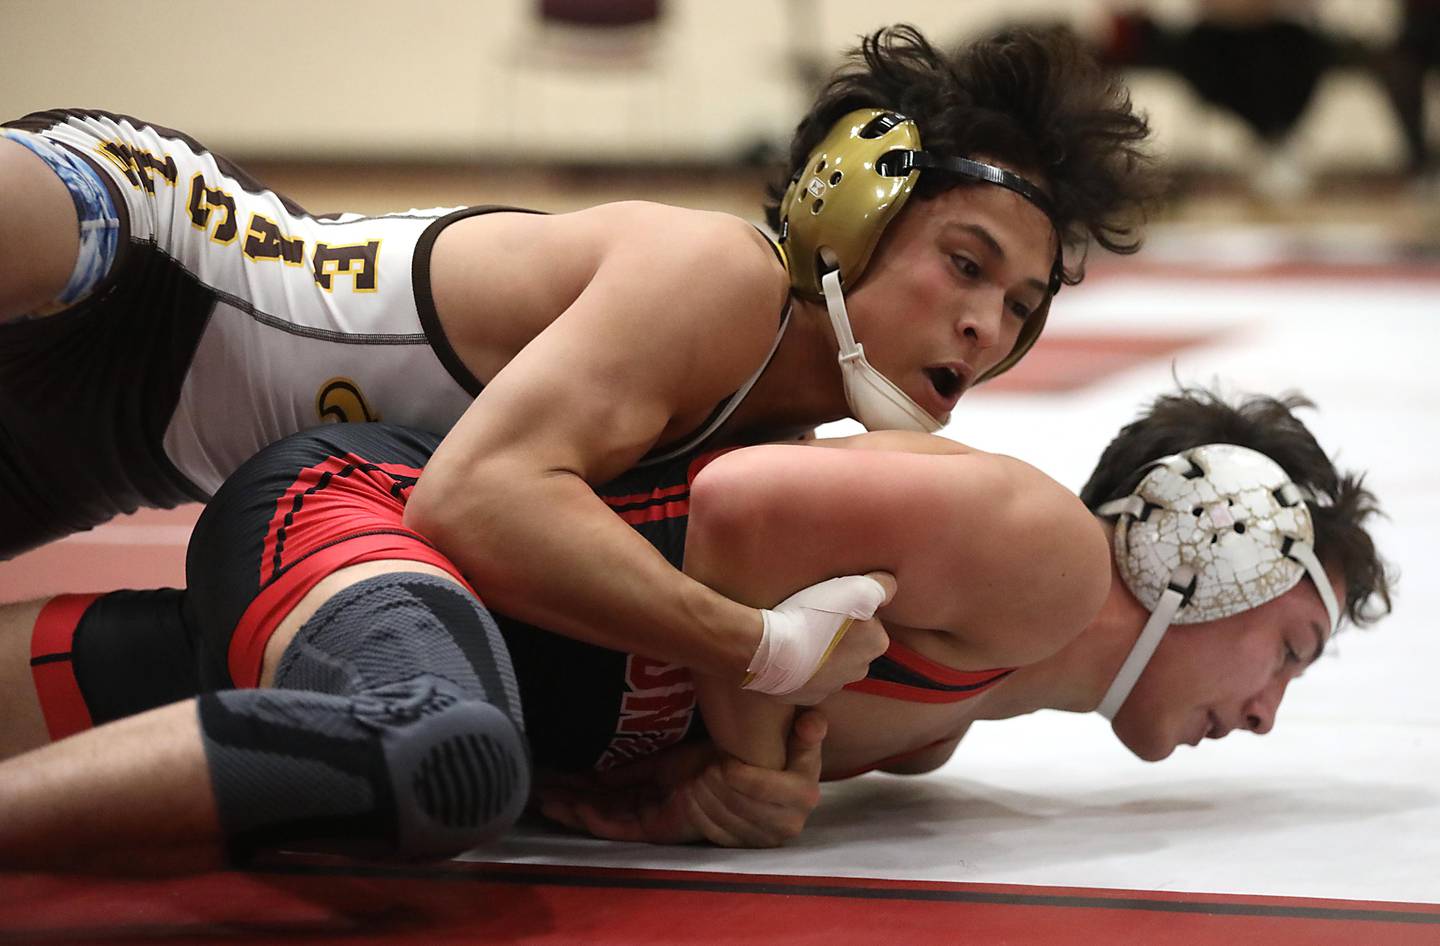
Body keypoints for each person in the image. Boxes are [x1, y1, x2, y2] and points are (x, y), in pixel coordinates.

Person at [0, 25, 1161, 716]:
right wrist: (749, 647)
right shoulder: (720, 282)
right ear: (844, 213)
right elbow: (477, 498)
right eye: (965, 263)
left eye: (1020, 305)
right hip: (150, 249)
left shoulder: (775, 453)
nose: (983, 327)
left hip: (120, 448)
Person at [0, 385, 1390, 869]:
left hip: (367, 611)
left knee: (376, 742)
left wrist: (682, 802)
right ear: (1210, 548)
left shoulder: (931, 737)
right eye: (1288, 650)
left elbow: (630, 735)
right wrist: (748, 732)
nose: (1265, 712)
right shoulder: (1032, 552)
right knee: (441, 754)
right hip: (372, 517)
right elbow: (731, 508)